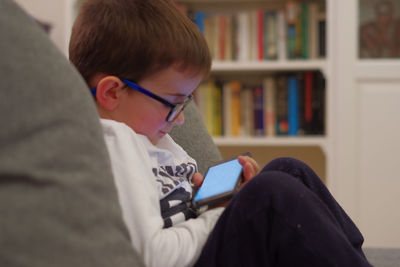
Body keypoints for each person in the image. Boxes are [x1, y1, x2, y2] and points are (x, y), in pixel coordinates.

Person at [69, 0, 372, 266]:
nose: (181, 119)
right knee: (271, 194)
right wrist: (220, 214)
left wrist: (218, 199)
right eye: (172, 104)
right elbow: (151, 256)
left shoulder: (154, 137)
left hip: (202, 247)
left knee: (289, 169)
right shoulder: (112, 144)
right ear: (112, 92)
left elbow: (185, 209)